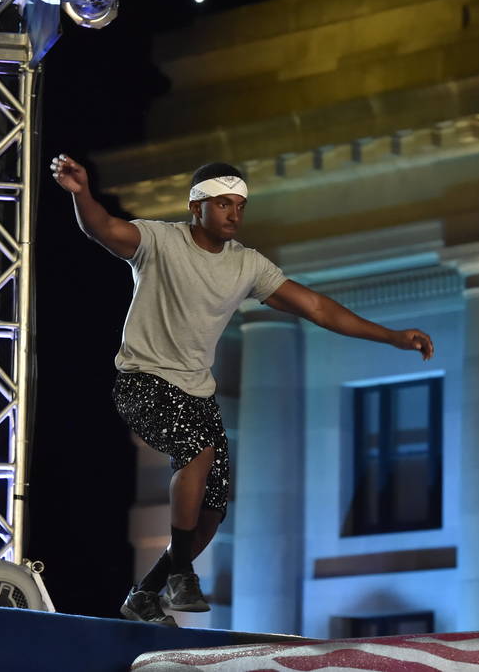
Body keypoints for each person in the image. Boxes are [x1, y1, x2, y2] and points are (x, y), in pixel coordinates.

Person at [50, 154, 435, 626]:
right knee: (196, 451)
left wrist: (391, 336)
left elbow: (316, 307)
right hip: (143, 381)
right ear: (196, 207)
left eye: (240, 206)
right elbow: (104, 228)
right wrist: (82, 194)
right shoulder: (160, 241)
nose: (234, 214)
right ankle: (181, 574)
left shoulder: (247, 265)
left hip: (196, 393)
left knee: (212, 511)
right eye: (223, 204)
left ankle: (145, 593)